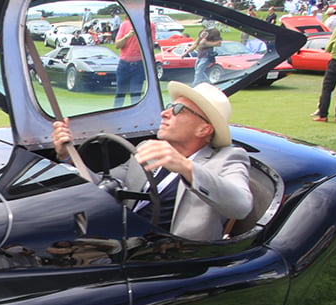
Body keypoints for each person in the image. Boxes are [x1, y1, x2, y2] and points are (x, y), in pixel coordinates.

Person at [52, 82, 252, 241]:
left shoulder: (228, 158)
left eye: (178, 109)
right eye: (169, 106)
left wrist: (186, 167)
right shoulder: (147, 149)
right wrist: (69, 156)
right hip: (123, 243)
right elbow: (106, 185)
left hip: (176, 260)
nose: (165, 113)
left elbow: (241, 206)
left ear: (204, 129)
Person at [112, 16, 151, 107]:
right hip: (124, 65)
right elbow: (117, 45)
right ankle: (116, 113)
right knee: (120, 93)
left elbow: (150, 47)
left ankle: (136, 114)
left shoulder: (149, 25)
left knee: (135, 94)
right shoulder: (125, 25)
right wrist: (127, 36)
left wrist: (141, 35)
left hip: (139, 65)